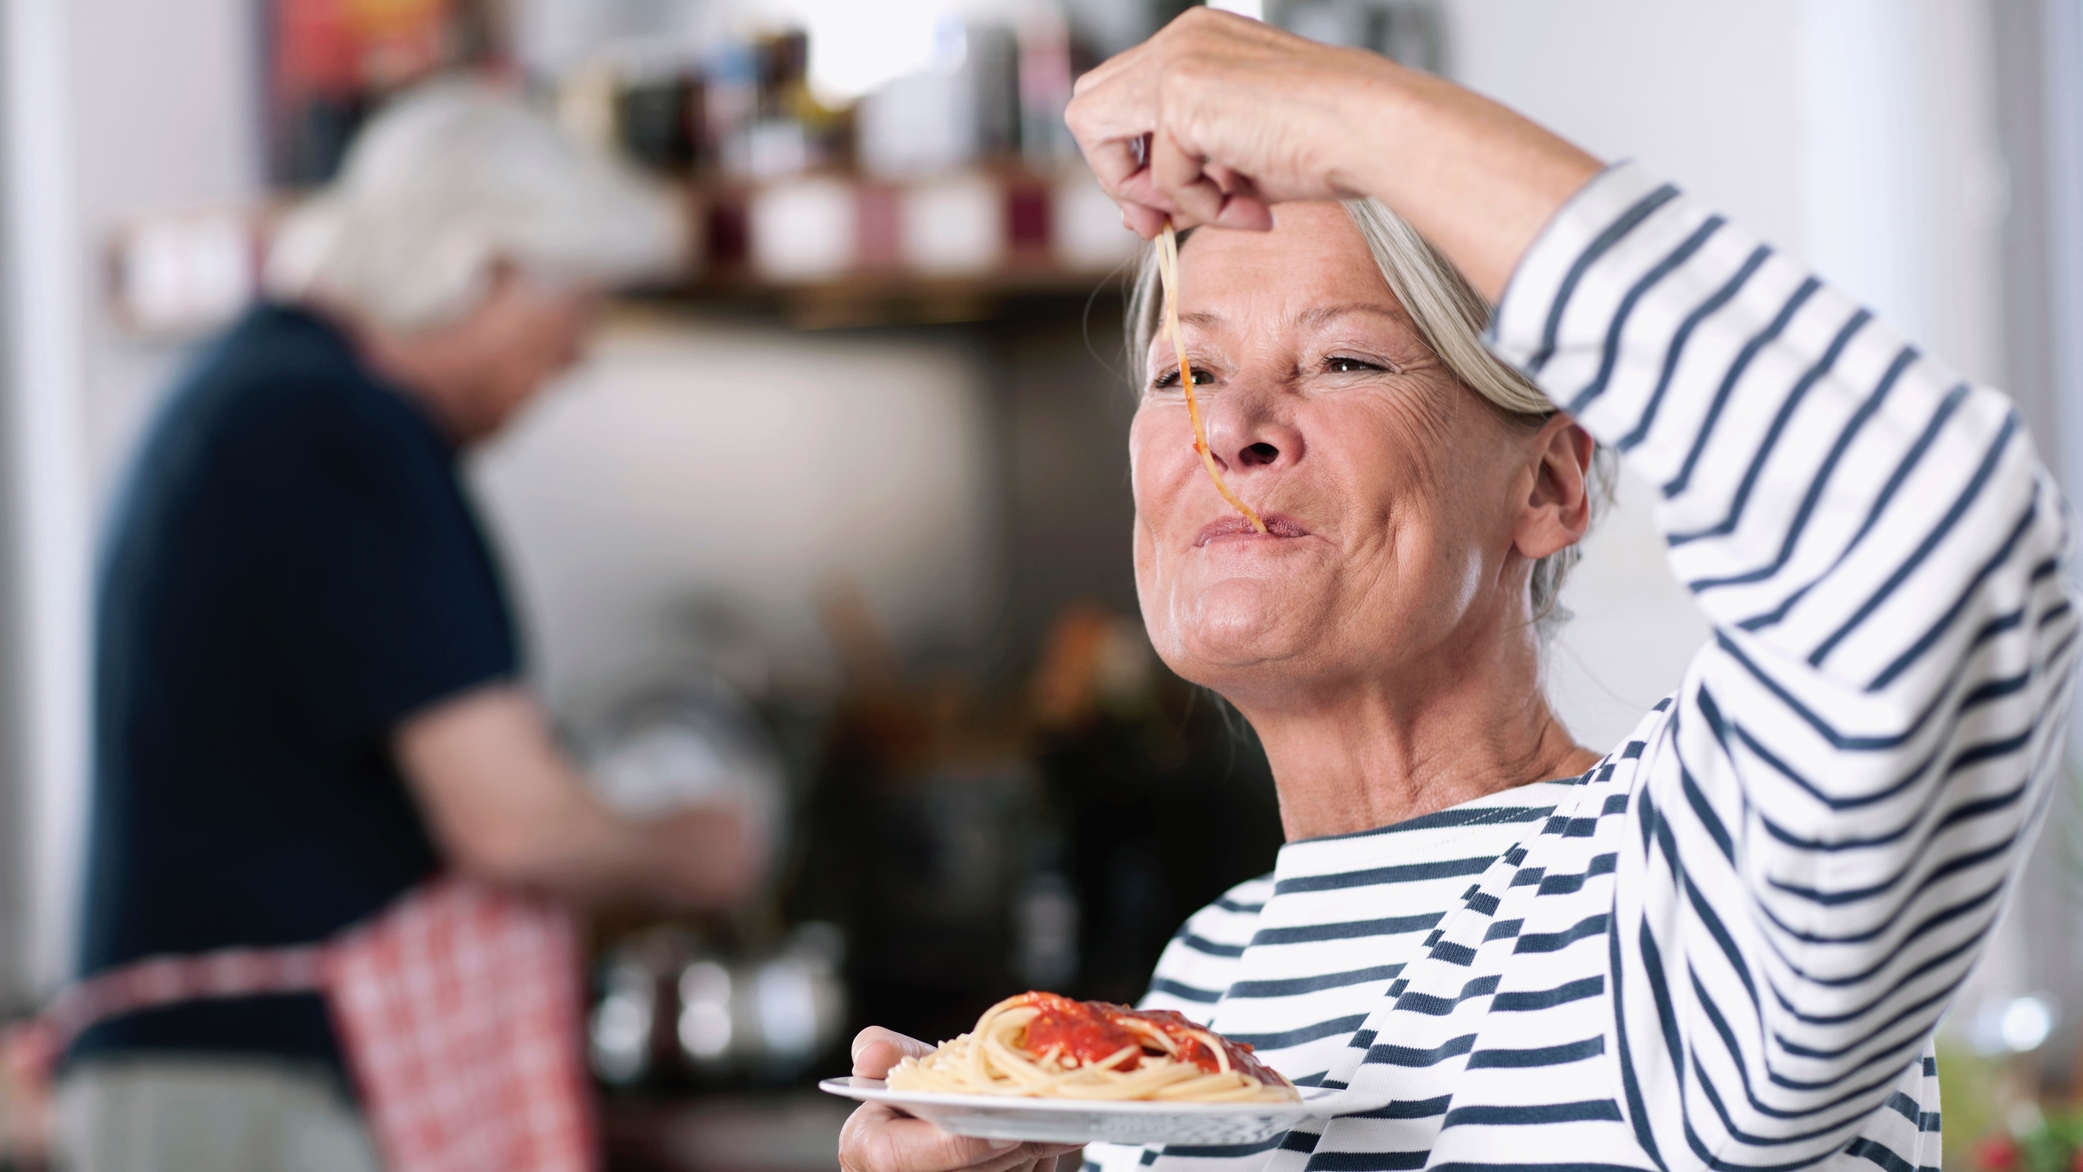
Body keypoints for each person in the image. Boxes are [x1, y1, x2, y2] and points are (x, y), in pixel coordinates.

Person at [840, 10, 2077, 1172]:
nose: (1235, 431)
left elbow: (1936, 531)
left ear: (1547, 481)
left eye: (1343, 357)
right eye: (1186, 371)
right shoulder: (1198, 989)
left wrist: (1344, 112)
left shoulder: (1669, 894)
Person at [59, 81, 760, 1170]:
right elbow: (511, 821)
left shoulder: (265, 393)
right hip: (257, 1098)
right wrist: (699, 845)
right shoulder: (338, 427)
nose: (574, 358)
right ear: (482, 269)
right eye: (568, 314)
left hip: (212, 1080)